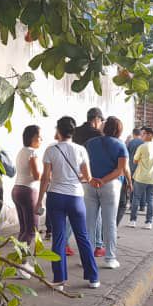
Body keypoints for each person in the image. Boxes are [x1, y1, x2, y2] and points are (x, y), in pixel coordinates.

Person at [35, 116, 99, 289]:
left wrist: (39, 200)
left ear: (58, 130)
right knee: (82, 237)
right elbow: (88, 177)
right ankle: (93, 278)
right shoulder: (81, 150)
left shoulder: (51, 150)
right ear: (73, 131)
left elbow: (45, 178)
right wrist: (77, 177)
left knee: (59, 238)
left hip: (56, 196)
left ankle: (59, 280)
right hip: (76, 198)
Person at [84, 117, 129, 269]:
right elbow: (120, 170)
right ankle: (110, 258)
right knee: (109, 223)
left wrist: (92, 179)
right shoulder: (120, 145)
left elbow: (84, 164)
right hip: (110, 186)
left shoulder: (90, 143)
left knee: (89, 223)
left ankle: (87, 258)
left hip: (90, 185)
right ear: (119, 130)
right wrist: (103, 180)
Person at [73, 107, 105, 256]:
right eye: (100, 121)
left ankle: (66, 243)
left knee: (73, 211)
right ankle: (98, 245)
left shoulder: (75, 131)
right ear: (96, 119)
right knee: (96, 212)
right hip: (90, 176)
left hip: (74, 174)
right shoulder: (97, 134)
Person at [12, 125, 42, 279]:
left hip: (17, 189)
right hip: (28, 191)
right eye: (39, 137)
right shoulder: (32, 153)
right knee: (32, 229)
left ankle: (19, 262)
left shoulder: (21, 151)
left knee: (24, 229)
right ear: (32, 138)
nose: (41, 140)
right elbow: (37, 176)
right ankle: (22, 264)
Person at [129, 127, 153, 229]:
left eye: (143, 134)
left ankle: (133, 220)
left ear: (149, 135)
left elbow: (135, 160)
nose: (141, 136)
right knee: (150, 200)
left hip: (141, 177)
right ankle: (148, 222)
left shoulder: (143, 147)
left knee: (136, 198)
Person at [123, 128, 145, 222]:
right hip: (140, 167)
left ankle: (132, 204)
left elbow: (126, 154)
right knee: (142, 187)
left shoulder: (131, 142)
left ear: (133, 134)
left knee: (132, 186)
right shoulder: (143, 143)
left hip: (131, 166)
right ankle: (142, 205)